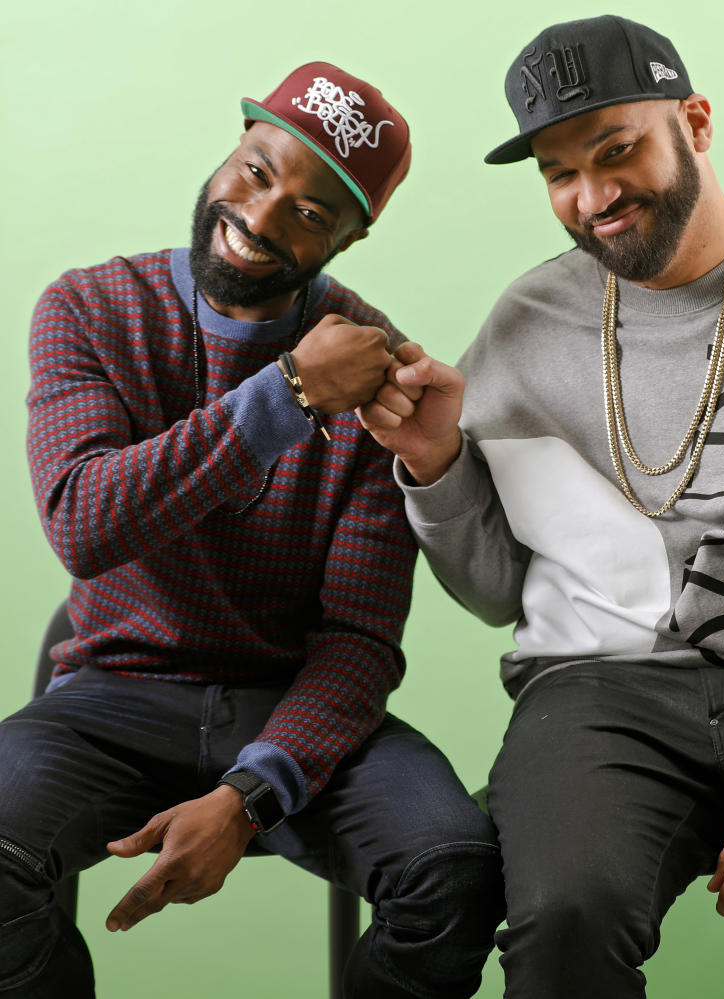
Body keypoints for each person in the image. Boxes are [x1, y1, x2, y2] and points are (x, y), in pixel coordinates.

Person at [357, 15, 724, 996]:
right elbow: (497, 588)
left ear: (697, 122)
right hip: (597, 698)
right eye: (558, 172)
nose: (592, 197)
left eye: (617, 150)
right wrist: (436, 467)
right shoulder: (527, 322)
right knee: (564, 924)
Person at [1, 61, 503, 999]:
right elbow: (82, 520)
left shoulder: (379, 372)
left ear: (355, 235)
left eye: (313, 213)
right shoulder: (90, 309)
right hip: (113, 696)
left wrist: (250, 794)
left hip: (292, 708)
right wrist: (291, 396)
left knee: (456, 870)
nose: (263, 217)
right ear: (232, 148)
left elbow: (357, 640)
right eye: (260, 171)